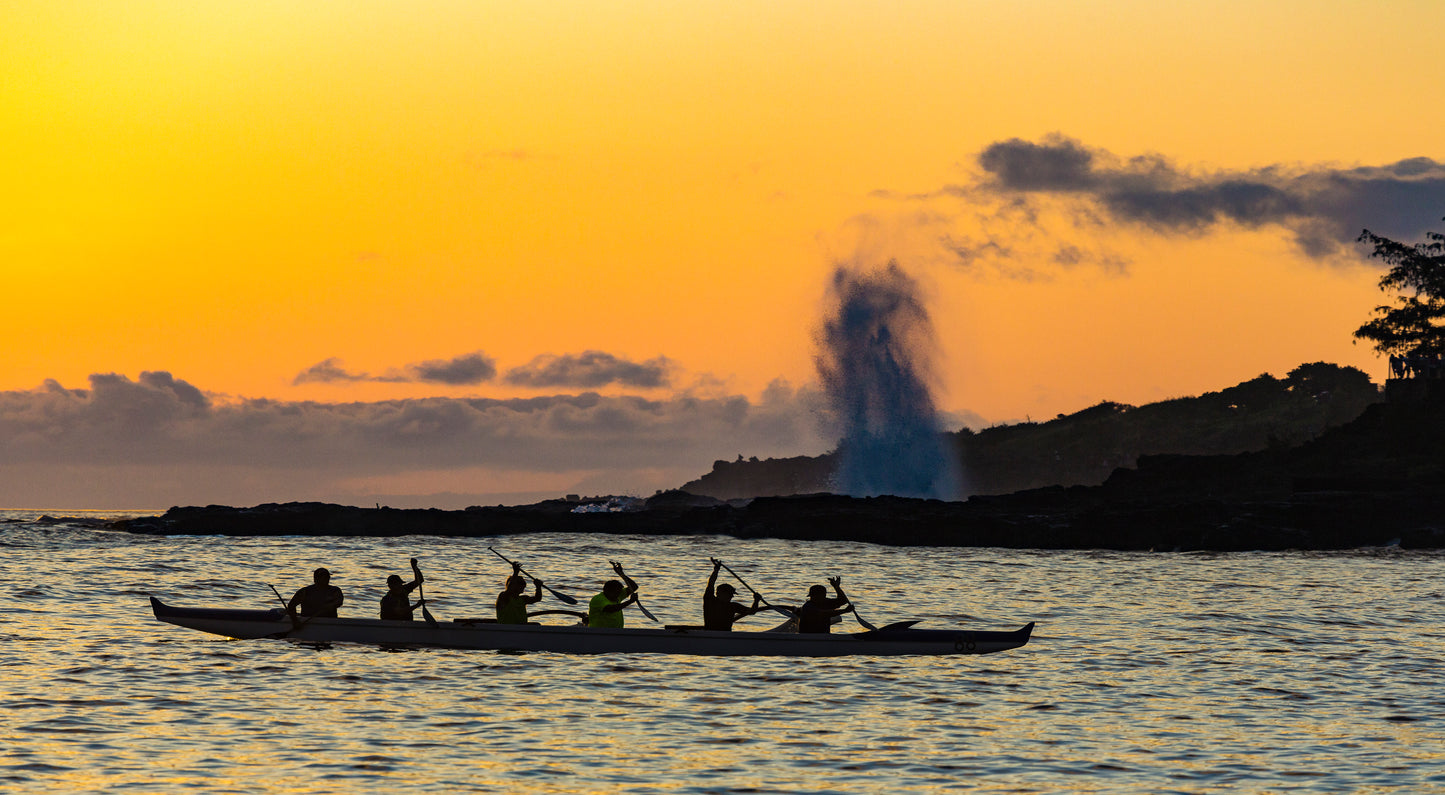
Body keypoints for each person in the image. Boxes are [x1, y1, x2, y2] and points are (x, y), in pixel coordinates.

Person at [703, 558, 763, 631]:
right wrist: (716, 570)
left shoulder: (733, 606)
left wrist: (756, 601)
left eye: (732, 594)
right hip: (710, 634)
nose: (732, 596)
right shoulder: (710, 600)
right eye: (729, 594)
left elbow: (752, 612)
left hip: (726, 636)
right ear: (719, 593)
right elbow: (711, 583)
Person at [587, 560, 639, 629]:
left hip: (616, 633)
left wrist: (621, 574)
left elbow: (634, 587)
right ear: (607, 591)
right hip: (598, 633)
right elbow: (611, 609)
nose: (618, 595)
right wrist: (630, 601)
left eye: (619, 592)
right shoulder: (598, 599)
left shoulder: (617, 595)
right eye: (616, 593)